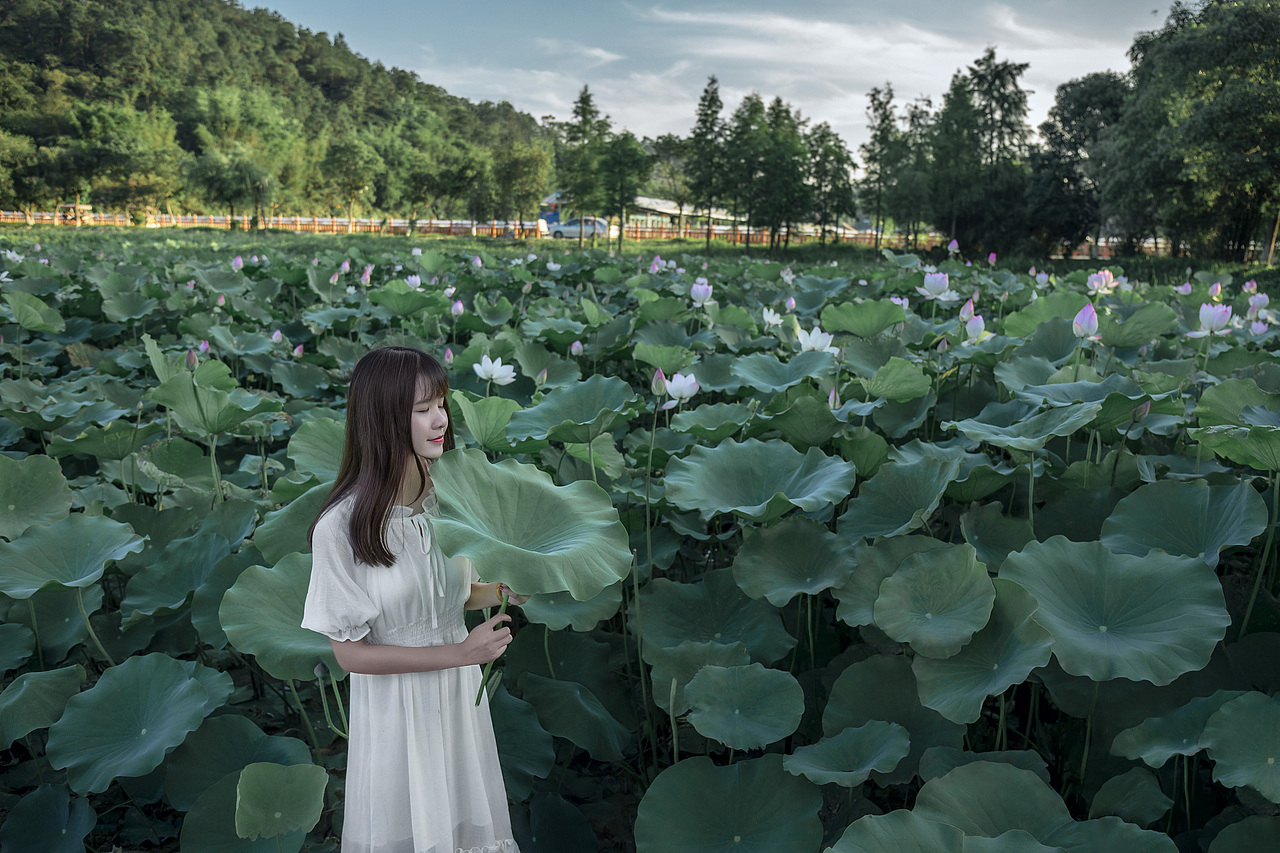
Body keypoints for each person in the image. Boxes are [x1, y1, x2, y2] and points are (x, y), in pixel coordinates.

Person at [301, 345, 524, 853]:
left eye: (442, 404)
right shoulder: (340, 527)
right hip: (395, 710)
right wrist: (460, 654)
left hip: (458, 700)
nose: (440, 418)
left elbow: (452, 597)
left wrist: (506, 590)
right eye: (422, 409)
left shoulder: (452, 497)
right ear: (381, 419)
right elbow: (349, 654)